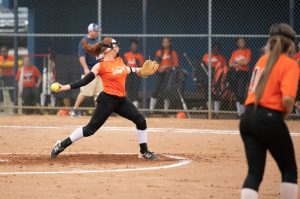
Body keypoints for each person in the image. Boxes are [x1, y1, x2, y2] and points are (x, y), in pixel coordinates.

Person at [50, 37, 159, 160]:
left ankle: (144, 152)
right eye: (115, 45)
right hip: (107, 101)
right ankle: (61, 145)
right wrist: (64, 87)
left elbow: (127, 70)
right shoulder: (100, 66)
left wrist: (141, 71)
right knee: (90, 130)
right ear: (108, 49)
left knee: (140, 120)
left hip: (121, 100)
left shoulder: (119, 60)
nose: (118, 46)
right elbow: (84, 81)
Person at [240, 23, 298, 199]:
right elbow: (288, 99)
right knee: (289, 170)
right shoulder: (290, 64)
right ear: (290, 45)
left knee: (254, 174)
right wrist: (283, 114)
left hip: (247, 117)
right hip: (269, 117)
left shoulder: (261, 60)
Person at [69, 23, 103, 117]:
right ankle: (74, 110)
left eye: (97, 31)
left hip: (98, 71)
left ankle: (98, 113)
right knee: (84, 91)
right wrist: (86, 69)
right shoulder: (84, 41)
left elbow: (100, 57)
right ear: (90, 31)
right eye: (95, 30)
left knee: (99, 92)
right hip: (89, 71)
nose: (97, 32)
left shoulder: (97, 41)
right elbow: (81, 56)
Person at [149, 37, 179, 112]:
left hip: (169, 74)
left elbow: (176, 65)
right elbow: (155, 63)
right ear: (162, 43)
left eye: (167, 42)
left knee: (167, 91)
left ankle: (166, 110)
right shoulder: (159, 52)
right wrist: (159, 68)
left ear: (170, 43)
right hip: (160, 73)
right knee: (156, 90)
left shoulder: (173, 53)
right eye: (164, 42)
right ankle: (151, 110)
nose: (165, 43)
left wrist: (166, 66)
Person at [202, 43, 228, 114]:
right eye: (213, 48)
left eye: (217, 48)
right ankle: (210, 112)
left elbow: (225, 67)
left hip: (217, 78)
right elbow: (202, 65)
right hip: (207, 77)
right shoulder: (206, 55)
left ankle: (216, 113)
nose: (215, 49)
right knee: (208, 94)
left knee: (217, 94)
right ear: (211, 48)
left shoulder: (221, 57)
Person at [229, 37, 251, 116]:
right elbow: (230, 64)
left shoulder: (247, 51)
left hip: (243, 73)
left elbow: (246, 62)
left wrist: (236, 62)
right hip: (235, 73)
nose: (241, 43)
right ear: (237, 44)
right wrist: (240, 62)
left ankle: (243, 112)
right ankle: (239, 113)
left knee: (241, 92)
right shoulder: (235, 52)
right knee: (236, 92)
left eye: (243, 41)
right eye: (239, 42)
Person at [123, 39, 144, 108]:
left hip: (136, 74)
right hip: (128, 74)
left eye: (135, 46)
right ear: (130, 47)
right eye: (132, 45)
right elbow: (123, 65)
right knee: (127, 91)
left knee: (135, 91)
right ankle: (127, 108)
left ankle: (134, 108)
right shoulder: (126, 55)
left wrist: (138, 63)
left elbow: (142, 67)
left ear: (137, 47)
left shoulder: (140, 56)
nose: (133, 47)